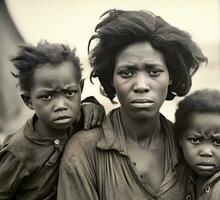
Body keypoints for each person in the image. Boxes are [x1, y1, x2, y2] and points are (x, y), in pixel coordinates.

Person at [57, 9, 207, 200]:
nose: (141, 86)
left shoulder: (189, 146)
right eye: (127, 72)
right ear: (111, 79)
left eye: (154, 71)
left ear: (170, 76)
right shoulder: (83, 152)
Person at [0, 41, 105, 200]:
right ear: (28, 101)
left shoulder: (84, 118)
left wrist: (92, 105)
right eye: (46, 97)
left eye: (69, 93)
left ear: (80, 89)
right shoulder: (17, 151)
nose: (61, 106)